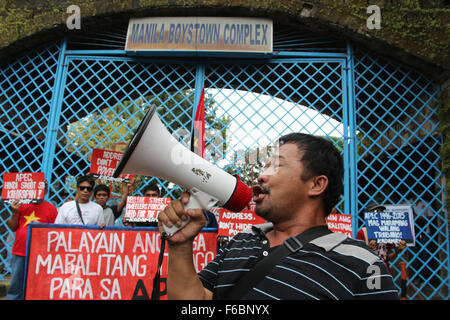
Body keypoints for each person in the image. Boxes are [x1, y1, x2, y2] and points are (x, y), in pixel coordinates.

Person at [158, 132, 399, 300]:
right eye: (265, 168)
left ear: (316, 184)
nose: (262, 176)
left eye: (277, 166)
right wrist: (180, 247)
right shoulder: (241, 241)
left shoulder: (362, 265)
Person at [6, 181, 58, 300]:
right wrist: (14, 213)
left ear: (45, 192)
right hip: (21, 250)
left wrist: (42, 227)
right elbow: (12, 227)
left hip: (41, 254)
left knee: (37, 284)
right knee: (16, 285)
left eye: (41, 189)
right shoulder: (21, 206)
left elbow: (54, 232)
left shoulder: (52, 209)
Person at [356, 204, 407, 274]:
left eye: (381, 212)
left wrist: (398, 251)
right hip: (370, 271)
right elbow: (358, 256)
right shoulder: (362, 232)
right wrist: (368, 249)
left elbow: (387, 257)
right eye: (375, 212)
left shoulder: (386, 232)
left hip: (384, 270)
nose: (378, 214)